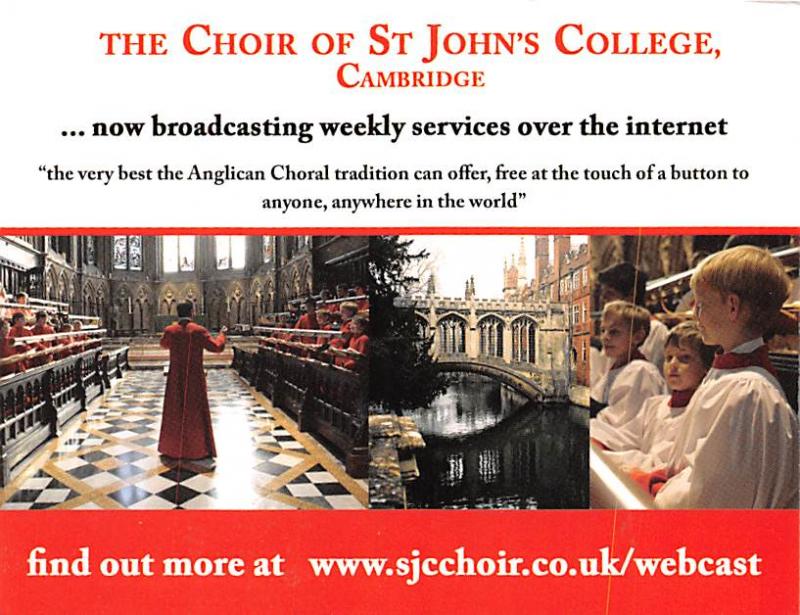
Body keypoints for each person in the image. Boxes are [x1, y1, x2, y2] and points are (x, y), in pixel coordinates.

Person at [650, 245, 798, 508]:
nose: (695, 316)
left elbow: (710, 498)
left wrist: (657, 490)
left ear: (732, 306)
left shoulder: (747, 393)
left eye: (701, 305)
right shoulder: (731, 376)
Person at [598, 322, 716, 468]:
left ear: (706, 366)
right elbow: (626, 438)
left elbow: (663, 462)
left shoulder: (701, 412)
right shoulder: (654, 405)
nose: (673, 364)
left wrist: (617, 460)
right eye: (668, 357)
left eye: (684, 358)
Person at [158, 301, 227, 465]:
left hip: (175, 377)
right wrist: (222, 334)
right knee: (195, 411)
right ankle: (197, 448)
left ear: (177, 313)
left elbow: (163, 344)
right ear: (192, 312)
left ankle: (172, 448)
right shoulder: (199, 331)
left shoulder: (170, 331)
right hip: (194, 377)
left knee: (174, 410)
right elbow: (217, 347)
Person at [590, 301, 667, 438]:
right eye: (603, 330)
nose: (605, 337)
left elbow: (627, 427)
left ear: (637, 336)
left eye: (614, 332)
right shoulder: (617, 368)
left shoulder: (641, 372)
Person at [596, 262, 669, 373]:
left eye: (610, 294)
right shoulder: (609, 330)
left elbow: (653, 374)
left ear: (631, 295)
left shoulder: (657, 330)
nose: (605, 302)